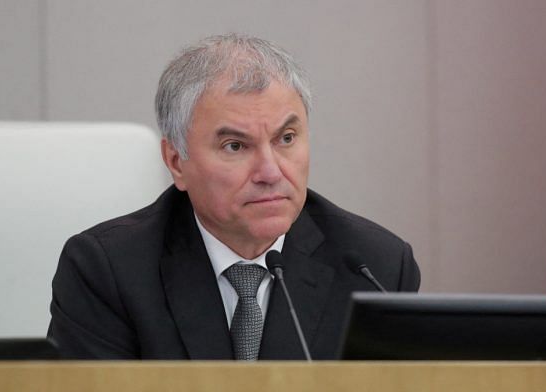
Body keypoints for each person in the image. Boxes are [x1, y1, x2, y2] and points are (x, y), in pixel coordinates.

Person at [48, 33, 420, 360]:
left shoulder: (376, 268)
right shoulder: (108, 270)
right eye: (235, 146)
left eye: (286, 139)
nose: (271, 172)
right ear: (177, 162)